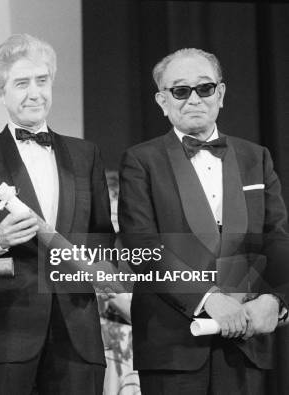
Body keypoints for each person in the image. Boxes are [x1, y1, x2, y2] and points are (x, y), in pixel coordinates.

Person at [0, 34, 114, 395]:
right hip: (4, 334)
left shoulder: (87, 155)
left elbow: (102, 236)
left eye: (42, 80)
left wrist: (96, 262)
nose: (35, 93)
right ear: (0, 92)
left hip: (77, 334)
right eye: (22, 83)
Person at [119, 48, 289, 394]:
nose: (194, 98)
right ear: (162, 101)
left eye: (204, 88)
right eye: (180, 91)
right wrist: (208, 297)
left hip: (246, 340)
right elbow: (143, 247)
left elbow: (277, 239)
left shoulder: (256, 157)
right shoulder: (140, 161)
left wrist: (277, 302)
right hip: (172, 345)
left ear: (221, 94)